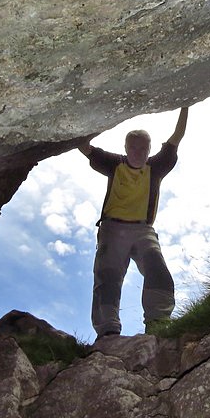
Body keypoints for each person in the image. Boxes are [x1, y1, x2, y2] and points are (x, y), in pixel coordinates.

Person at [78, 107, 189, 340]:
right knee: (107, 278)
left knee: (157, 270)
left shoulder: (156, 167)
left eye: (143, 148)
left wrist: (186, 105)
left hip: (143, 230)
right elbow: (84, 147)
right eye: (133, 147)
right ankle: (108, 331)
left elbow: (177, 137)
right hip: (112, 229)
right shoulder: (114, 164)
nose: (138, 153)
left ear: (150, 150)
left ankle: (158, 324)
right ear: (125, 149)